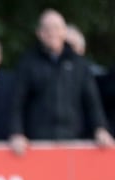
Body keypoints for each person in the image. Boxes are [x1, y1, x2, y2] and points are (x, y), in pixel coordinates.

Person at [9, 9, 113, 155]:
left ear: (64, 31)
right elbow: (16, 102)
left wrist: (100, 128)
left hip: (73, 141)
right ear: (39, 33)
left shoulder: (80, 64)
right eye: (47, 29)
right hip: (37, 143)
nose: (52, 33)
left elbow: (92, 101)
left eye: (56, 28)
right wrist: (16, 132)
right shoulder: (27, 64)